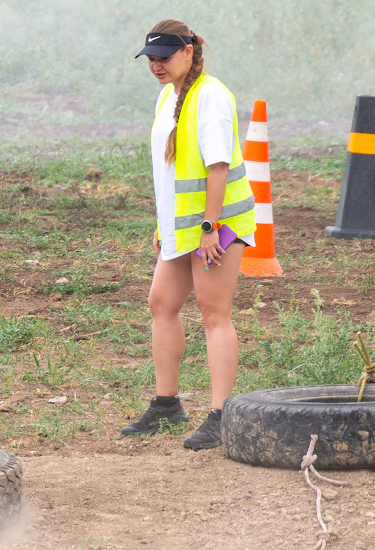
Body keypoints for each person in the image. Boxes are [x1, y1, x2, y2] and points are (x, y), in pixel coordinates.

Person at [120, 19, 257, 449]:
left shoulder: (211, 96)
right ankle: (167, 405)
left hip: (215, 228)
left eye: (164, 57)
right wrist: (166, 226)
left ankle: (222, 414)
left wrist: (208, 229)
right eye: (151, 59)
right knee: (162, 303)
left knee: (214, 313)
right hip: (182, 228)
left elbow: (217, 168)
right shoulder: (170, 94)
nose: (156, 66)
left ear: (188, 53)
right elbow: (172, 171)